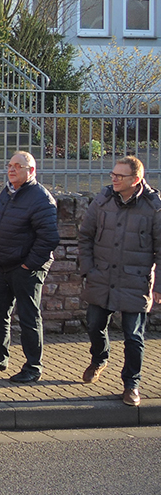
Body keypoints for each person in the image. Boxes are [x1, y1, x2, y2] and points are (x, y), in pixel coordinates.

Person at [77, 156, 161, 407]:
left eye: (120, 176)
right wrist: (88, 270)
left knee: (133, 336)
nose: (113, 178)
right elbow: (85, 237)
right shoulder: (102, 201)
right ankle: (99, 358)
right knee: (94, 325)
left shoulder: (154, 207)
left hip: (135, 282)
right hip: (101, 277)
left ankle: (131, 384)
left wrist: (158, 287)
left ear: (136, 180)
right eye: (113, 174)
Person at [0, 151, 59, 384]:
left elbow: (49, 238)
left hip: (25, 269)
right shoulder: (8, 193)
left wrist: (27, 265)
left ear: (31, 170)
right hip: (3, 265)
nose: (12, 170)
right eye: (10, 165)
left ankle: (33, 366)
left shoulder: (41, 198)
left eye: (18, 166)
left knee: (29, 318)